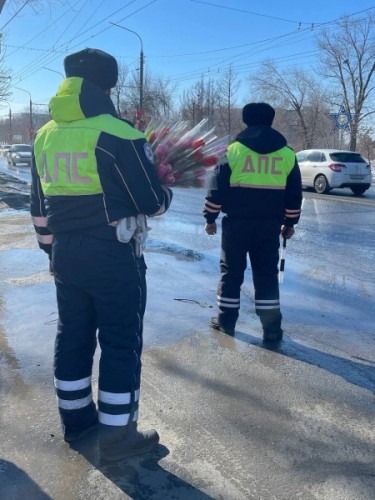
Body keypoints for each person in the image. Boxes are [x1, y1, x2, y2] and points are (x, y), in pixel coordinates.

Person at [30, 48, 173, 461]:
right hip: (113, 254)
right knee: (120, 341)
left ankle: (76, 423)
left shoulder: (44, 135)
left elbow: (38, 206)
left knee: (72, 334)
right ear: (108, 86)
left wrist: (51, 252)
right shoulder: (119, 133)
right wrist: (165, 189)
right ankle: (117, 438)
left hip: (65, 255)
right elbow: (149, 202)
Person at [204, 102, 302, 342]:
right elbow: (294, 194)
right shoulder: (287, 154)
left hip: (236, 225)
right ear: (271, 120)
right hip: (269, 227)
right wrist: (290, 223)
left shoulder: (232, 151)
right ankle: (271, 330)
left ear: (246, 120)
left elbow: (216, 189)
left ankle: (226, 323)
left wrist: (210, 218)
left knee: (231, 274)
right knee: (266, 276)